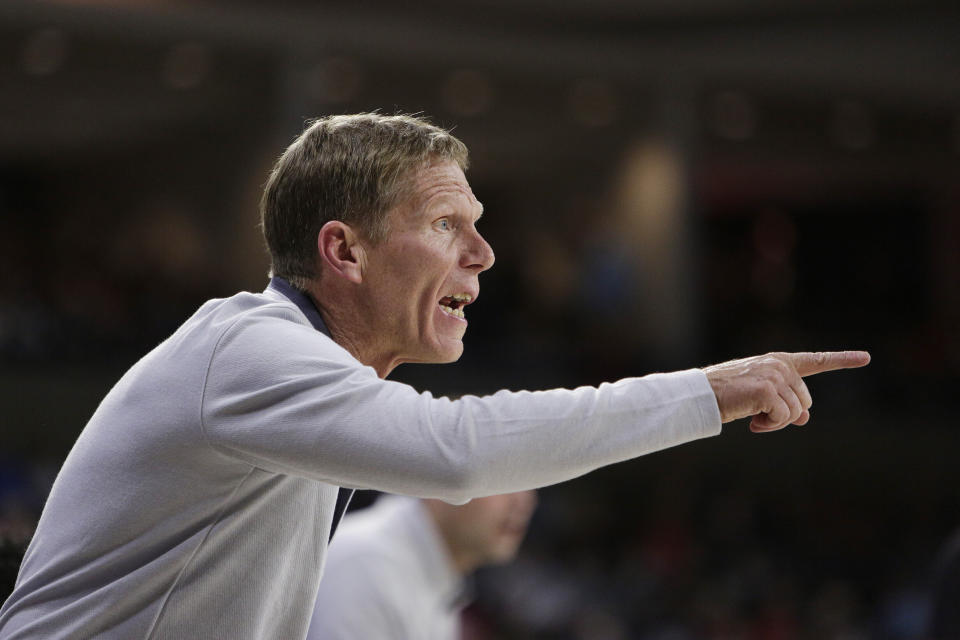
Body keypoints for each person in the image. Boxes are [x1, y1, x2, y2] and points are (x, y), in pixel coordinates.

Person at [0, 113, 869, 639]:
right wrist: (711, 391)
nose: (485, 256)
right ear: (343, 249)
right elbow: (458, 451)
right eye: (449, 223)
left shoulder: (298, 381)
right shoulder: (250, 349)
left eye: (479, 225)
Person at [306, 491, 537, 640]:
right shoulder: (367, 565)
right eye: (506, 481)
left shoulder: (439, 576)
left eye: (531, 482)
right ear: (444, 476)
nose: (523, 502)